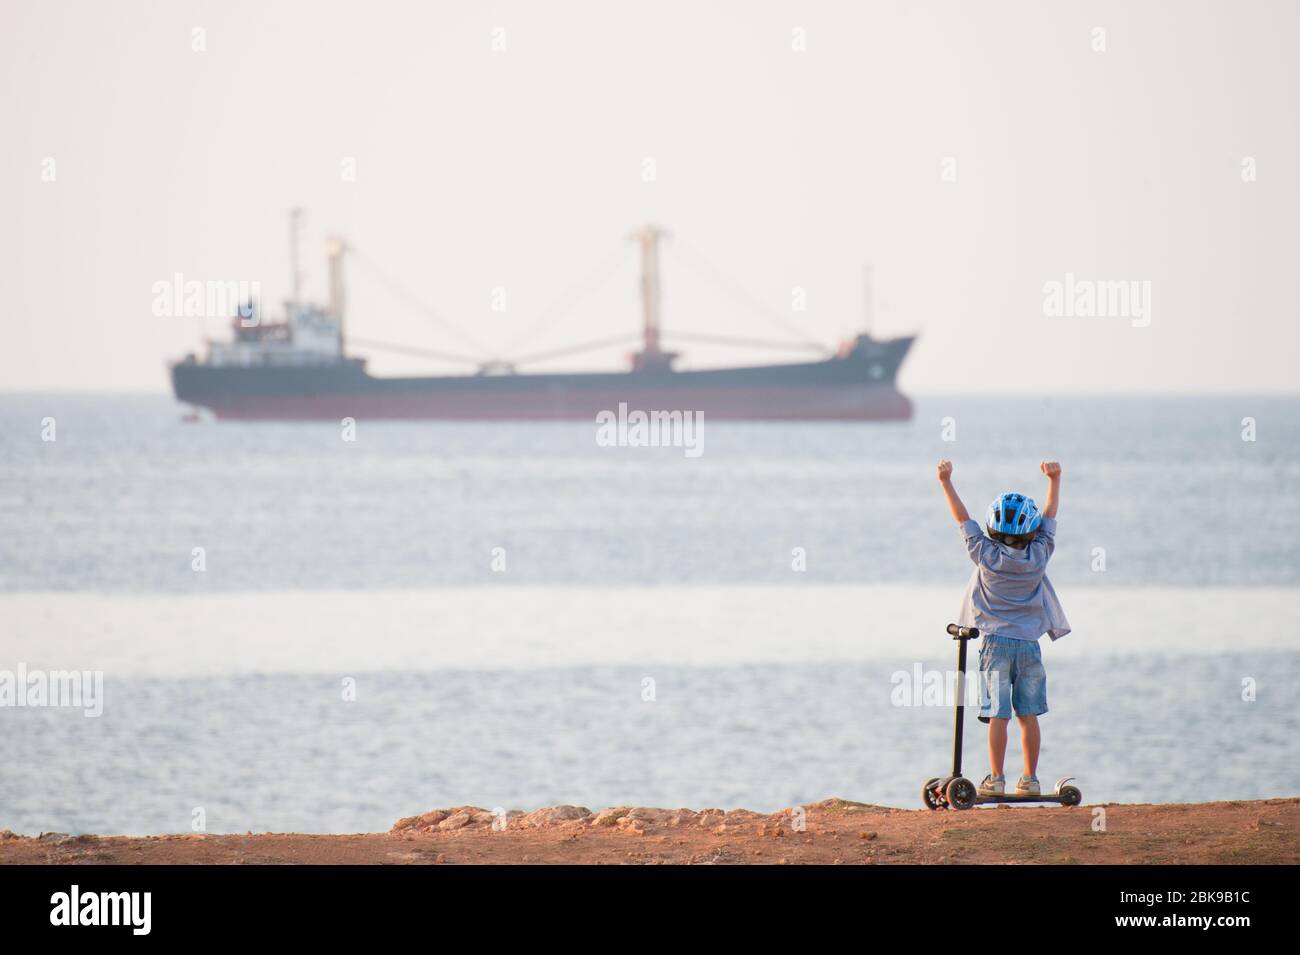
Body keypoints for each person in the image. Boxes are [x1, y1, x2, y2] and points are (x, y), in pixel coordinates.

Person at [935, 460, 1070, 796]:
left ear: (992, 529)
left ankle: (995, 779)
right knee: (1029, 714)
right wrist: (1054, 479)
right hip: (1029, 646)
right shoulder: (1040, 554)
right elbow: (1051, 516)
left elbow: (961, 518)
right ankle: (1031, 779)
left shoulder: (984, 554)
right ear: (1031, 531)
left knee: (998, 714)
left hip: (994, 645)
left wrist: (946, 481)